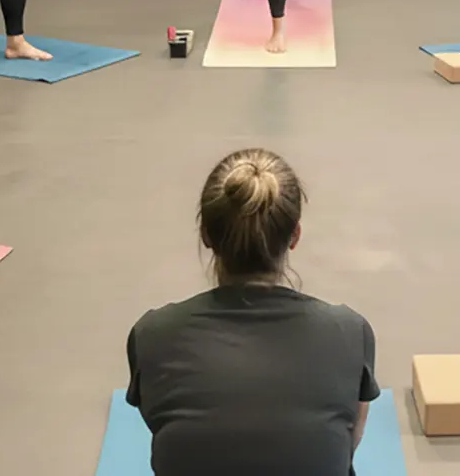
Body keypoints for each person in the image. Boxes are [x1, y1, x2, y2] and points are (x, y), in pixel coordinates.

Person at [125, 149, 379, 476]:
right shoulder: (350, 332)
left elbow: (167, 430)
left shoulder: (153, 334)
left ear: (206, 235)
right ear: (294, 236)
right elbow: (347, 445)